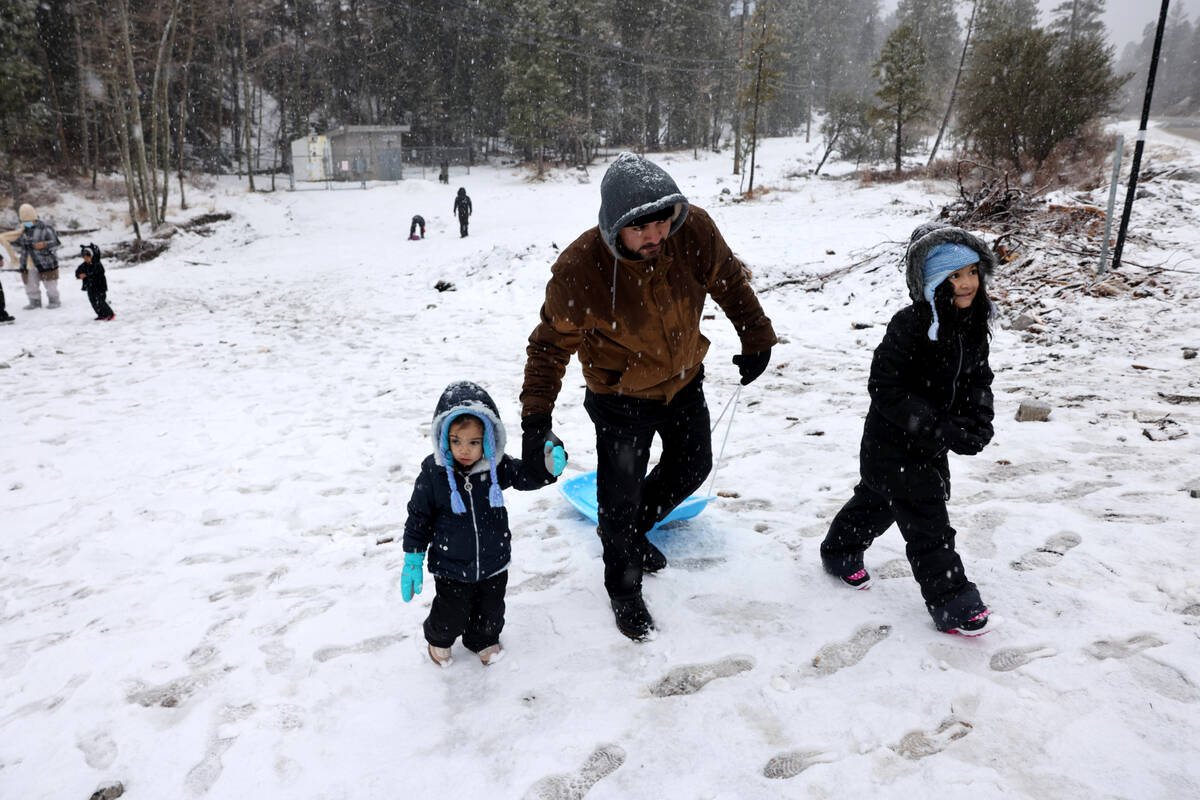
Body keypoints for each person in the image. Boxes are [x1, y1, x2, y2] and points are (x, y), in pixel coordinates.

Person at [519, 152, 777, 641]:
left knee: (693, 464)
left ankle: (632, 535)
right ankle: (623, 587)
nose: (656, 237)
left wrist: (756, 335)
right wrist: (537, 421)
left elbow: (727, 279)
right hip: (619, 398)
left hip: (683, 382)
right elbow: (549, 348)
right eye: (642, 230)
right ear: (614, 226)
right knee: (618, 499)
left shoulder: (693, 231)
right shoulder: (580, 269)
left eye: (663, 223)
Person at [820, 222, 997, 636]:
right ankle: (952, 601)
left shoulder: (972, 324)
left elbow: (977, 379)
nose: (967, 283)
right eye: (955, 276)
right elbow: (885, 387)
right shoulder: (910, 325)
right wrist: (939, 428)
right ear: (933, 281)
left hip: (928, 444)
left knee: (878, 502)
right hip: (893, 443)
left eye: (972, 271)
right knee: (927, 521)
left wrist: (978, 420)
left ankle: (840, 550)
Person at [400, 380, 567, 667]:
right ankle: (438, 639)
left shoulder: (495, 467)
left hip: (493, 560)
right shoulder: (433, 473)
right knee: (451, 613)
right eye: (456, 441)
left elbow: (525, 476)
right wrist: (413, 558)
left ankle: (482, 639)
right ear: (443, 438)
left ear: (488, 440)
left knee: (491, 611)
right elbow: (418, 517)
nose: (464, 450)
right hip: (451, 564)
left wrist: (547, 467)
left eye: (474, 442)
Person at [11, 204, 62, 310]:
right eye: (24, 220)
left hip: (45, 261)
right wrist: (10, 239)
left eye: (28, 220)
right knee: (30, 284)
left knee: (50, 283)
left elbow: (56, 243)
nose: (26, 222)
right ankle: (34, 302)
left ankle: (54, 300)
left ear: (34, 217)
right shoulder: (22, 231)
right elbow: (17, 243)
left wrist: (45, 244)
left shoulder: (45, 228)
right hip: (27, 262)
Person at [75, 243, 114, 321]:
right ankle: (100, 314)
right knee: (93, 301)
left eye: (87, 257)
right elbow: (77, 272)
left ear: (91, 256)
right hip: (90, 286)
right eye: (84, 258)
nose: (86, 259)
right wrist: (79, 275)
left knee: (100, 300)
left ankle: (109, 313)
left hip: (99, 285)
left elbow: (98, 273)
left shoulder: (97, 264)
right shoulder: (84, 265)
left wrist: (86, 275)